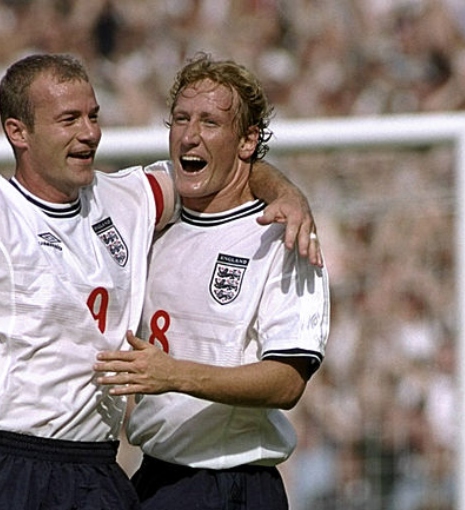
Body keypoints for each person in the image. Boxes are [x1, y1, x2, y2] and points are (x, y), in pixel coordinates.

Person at [0, 8, 321, 510]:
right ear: (18, 132)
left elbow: (227, 169)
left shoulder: (127, 198)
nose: (89, 133)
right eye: (68, 120)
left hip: (98, 471)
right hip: (8, 468)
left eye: (93, 116)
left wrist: (284, 191)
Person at [94, 53, 330, 510]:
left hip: (234, 485)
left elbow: (286, 383)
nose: (189, 134)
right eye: (181, 118)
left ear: (246, 141)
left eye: (210, 122)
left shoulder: (284, 235)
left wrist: (174, 374)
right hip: (156, 480)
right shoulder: (150, 210)